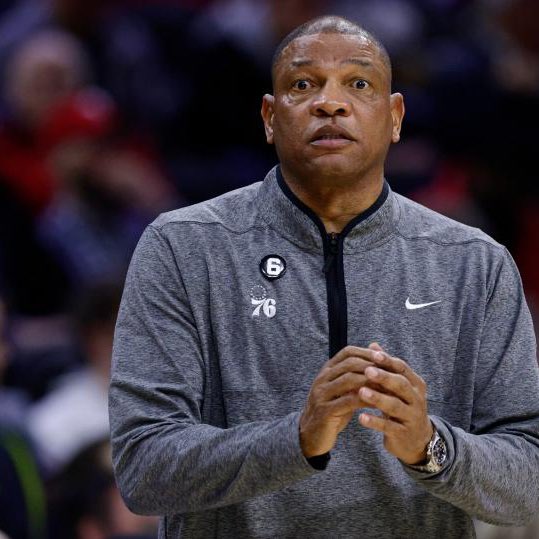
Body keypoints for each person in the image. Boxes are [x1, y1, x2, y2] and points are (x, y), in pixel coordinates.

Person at [109, 15, 539, 539]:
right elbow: (143, 468)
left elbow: (529, 478)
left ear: (395, 117)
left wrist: (429, 446)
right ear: (270, 118)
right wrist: (298, 437)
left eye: (358, 84)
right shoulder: (184, 247)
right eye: (302, 85)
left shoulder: (474, 262)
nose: (330, 103)